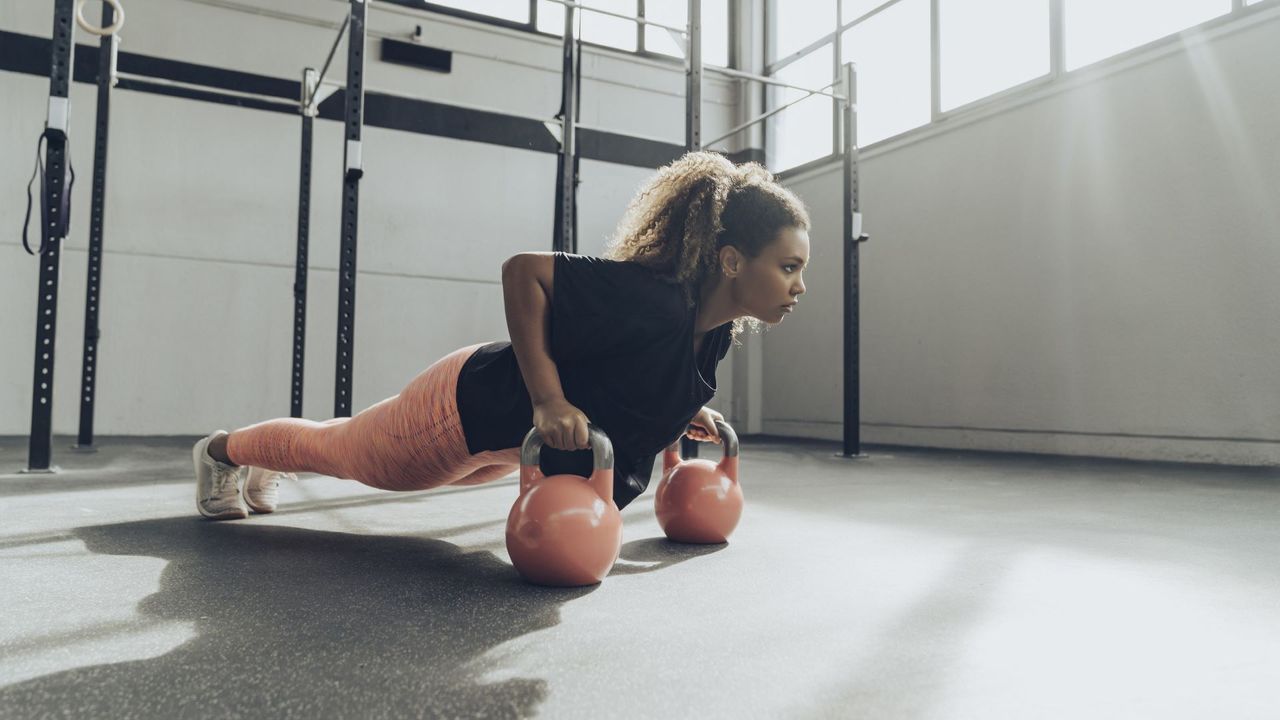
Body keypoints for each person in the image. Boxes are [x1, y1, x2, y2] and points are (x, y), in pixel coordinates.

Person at [193, 151, 810, 520]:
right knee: (343, 452)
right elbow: (524, 272)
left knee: (340, 443)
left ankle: (257, 460)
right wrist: (548, 399)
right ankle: (223, 451)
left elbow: (634, 371)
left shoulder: (713, 333)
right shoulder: (651, 296)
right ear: (731, 261)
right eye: (789, 267)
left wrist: (686, 407)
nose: (798, 286)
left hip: (503, 438)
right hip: (464, 408)